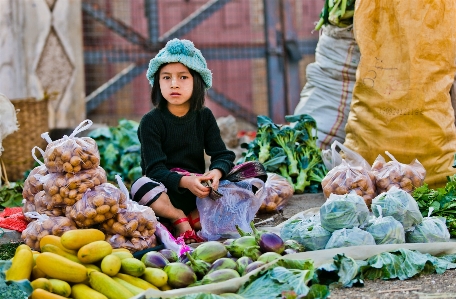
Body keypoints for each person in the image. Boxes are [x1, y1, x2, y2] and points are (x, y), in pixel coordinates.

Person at [131, 38, 236, 244]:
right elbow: (154, 170)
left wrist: (216, 172)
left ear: (197, 81)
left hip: (198, 191)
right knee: (140, 185)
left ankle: (195, 215)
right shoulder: (150, 122)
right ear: (157, 83)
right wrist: (184, 181)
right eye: (166, 77)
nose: (174, 84)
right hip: (164, 194)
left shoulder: (204, 116)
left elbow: (223, 155)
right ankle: (177, 217)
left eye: (183, 77)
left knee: (240, 179)